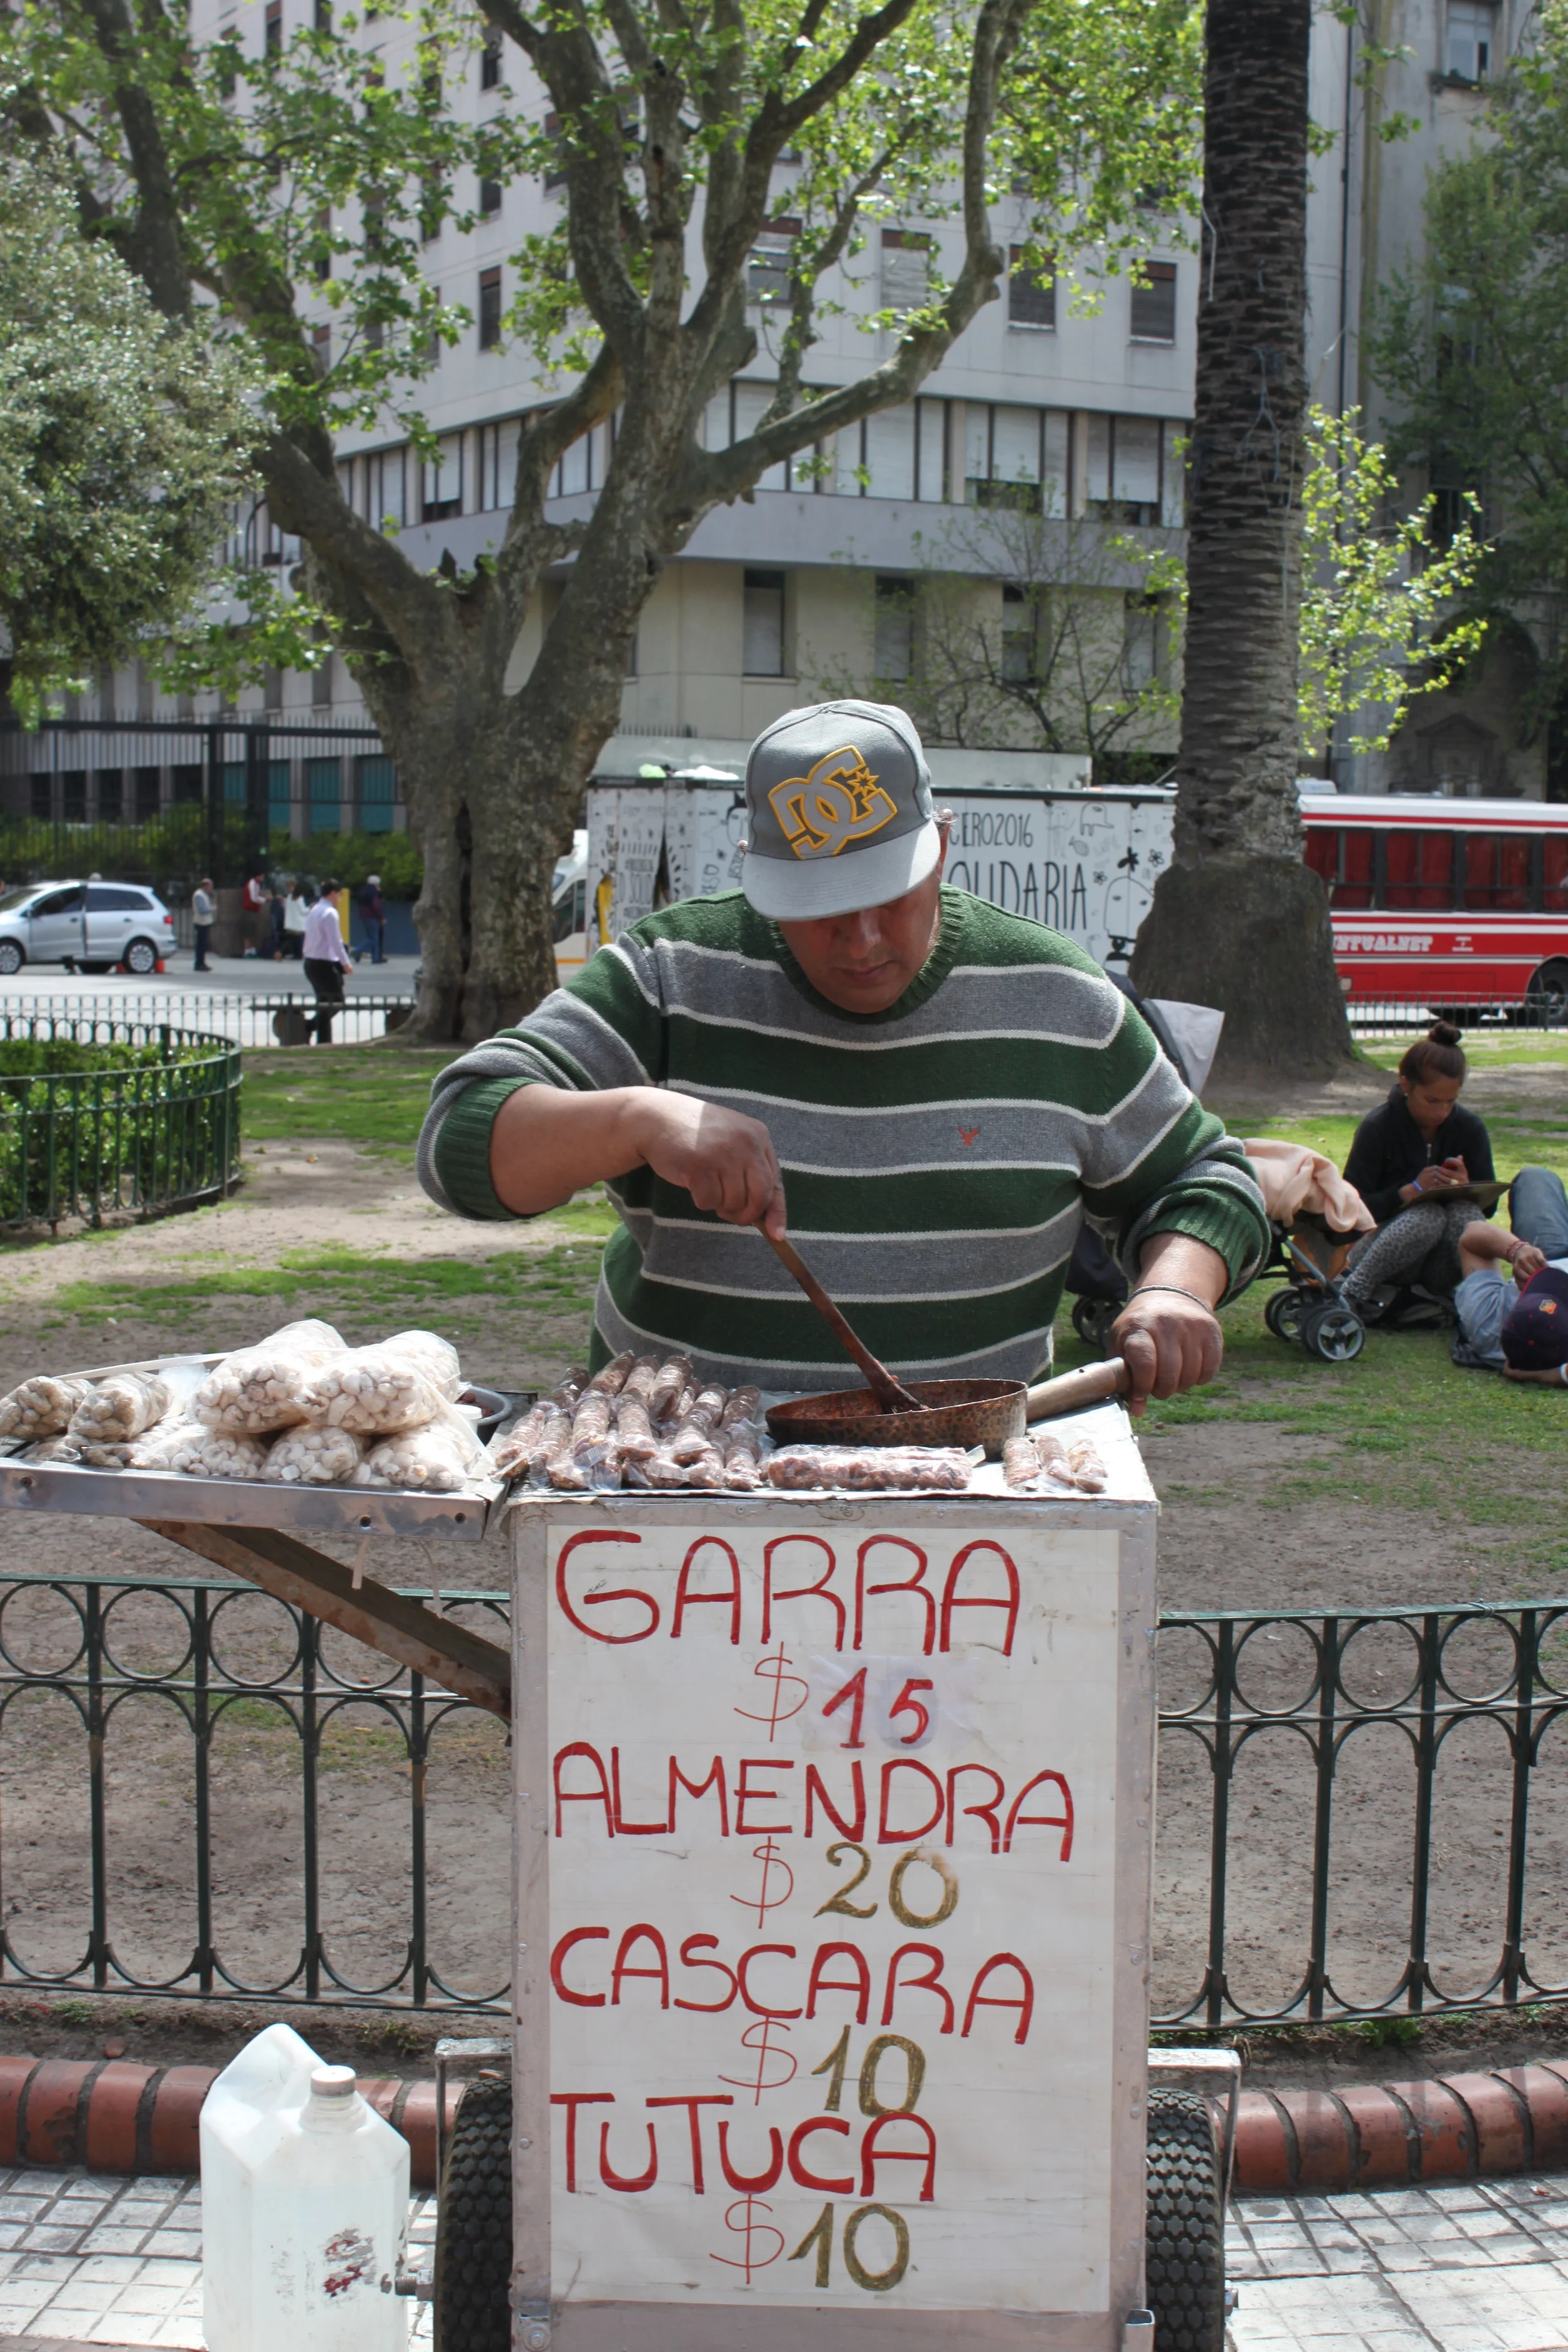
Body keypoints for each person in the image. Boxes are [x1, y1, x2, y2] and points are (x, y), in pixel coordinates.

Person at [418, 699, 1270, 1404]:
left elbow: (1206, 1180)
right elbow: (461, 1143)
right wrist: (639, 1120)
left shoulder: (1057, 998)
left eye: (889, 896)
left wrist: (1174, 1287)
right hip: (680, 1477)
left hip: (963, 1488)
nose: (861, 939)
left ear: (942, 842)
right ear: (757, 872)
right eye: (822, 903)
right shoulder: (673, 975)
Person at [1338, 1024, 1496, 1323]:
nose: (1442, 1112)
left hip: (1438, 1265)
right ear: (1407, 1085)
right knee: (1428, 1216)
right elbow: (1349, 1207)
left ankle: (1485, 1308)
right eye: (1432, 1101)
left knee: (1466, 1214)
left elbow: (1489, 1209)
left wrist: (1468, 1188)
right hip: (1382, 1250)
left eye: (1451, 1101)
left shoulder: (1470, 1129)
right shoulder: (1378, 1127)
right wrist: (1406, 1193)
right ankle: (1351, 1294)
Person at [1451, 1170, 1568, 1382]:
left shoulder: (1489, 1327)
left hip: (1545, 1256)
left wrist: (1517, 1250)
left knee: (1536, 1177)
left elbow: (1472, 1236)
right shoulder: (1488, 1332)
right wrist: (1552, 1375)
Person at [301, 876, 354, 1044]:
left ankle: (324, 1041)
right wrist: (345, 963)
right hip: (324, 963)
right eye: (339, 895)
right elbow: (336, 941)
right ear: (332, 893)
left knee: (324, 1003)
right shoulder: (330, 913)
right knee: (337, 1001)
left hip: (310, 962)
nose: (339, 899)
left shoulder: (314, 910)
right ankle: (308, 1026)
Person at [357, 874, 386, 965]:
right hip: (373, 917)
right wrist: (381, 917)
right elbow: (376, 906)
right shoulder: (374, 892)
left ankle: (376, 958)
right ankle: (358, 951)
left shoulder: (363, 891)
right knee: (374, 939)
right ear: (376, 884)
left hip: (364, 916)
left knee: (372, 938)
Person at [191, 877, 215, 973]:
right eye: (210, 886)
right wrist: (211, 909)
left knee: (203, 944)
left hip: (204, 922)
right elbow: (202, 910)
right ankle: (199, 964)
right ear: (206, 886)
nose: (211, 889)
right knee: (201, 945)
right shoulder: (199, 895)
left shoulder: (203, 895)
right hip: (201, 922)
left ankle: (202, 963)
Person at [282, 878, 309, 960]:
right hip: (299, 923)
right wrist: (311, 908)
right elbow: (303, 911)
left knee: (292, 941)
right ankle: (299, 955)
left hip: (290, 923)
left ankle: (293, 954)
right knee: (299, 942)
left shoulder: (289, 897)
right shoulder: (299, 897)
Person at [265, 882, 286, 961]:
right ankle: (277, 952)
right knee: (277, 932)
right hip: (278, 911)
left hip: (278, 911)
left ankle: (277, 952)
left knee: (277, 932)